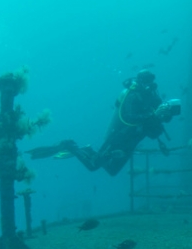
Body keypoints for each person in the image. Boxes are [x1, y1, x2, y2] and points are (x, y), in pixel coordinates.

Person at [30, 70, 180, 176]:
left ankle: (88, 150)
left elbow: (157, 119)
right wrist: (152, 115)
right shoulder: (132, 95)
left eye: (151, 81)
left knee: (112, 170)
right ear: (140, 81)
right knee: (93, 165)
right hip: (119, 137)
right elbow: (127, 117)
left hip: (132, 141)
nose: (149, 84)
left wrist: (166, 114)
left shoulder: (153, 96)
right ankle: (70, 145)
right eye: (146, 81)